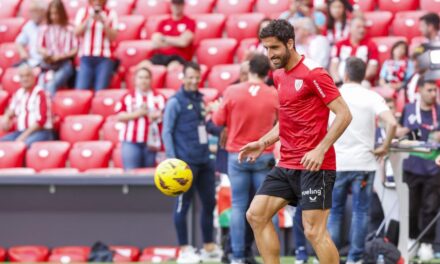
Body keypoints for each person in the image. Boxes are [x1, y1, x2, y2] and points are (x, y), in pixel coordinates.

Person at [239, 19, 352, 264]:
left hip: (315, 166)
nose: (270, 54)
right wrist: (263, 142)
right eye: (266, 49)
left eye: (275, 48)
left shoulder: (314, 73)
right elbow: (288, 119)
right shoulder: (278, 75)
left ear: (290, 43)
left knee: (313, 231)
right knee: (256, 215)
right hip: (287, 163)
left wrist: (320, 150)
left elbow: (344, 114)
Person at [327, 57, 397, 264]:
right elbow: (391, 123)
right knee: (360, 212)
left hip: (337, 162)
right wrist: (384, 147)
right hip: (364, 164)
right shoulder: (371, 96)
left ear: (345, 74)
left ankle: (330, 257)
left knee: (335, 212)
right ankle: (355, 258)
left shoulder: (333, 95)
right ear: (363, 75)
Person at [211, 54, 278, 264]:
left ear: (249, 70)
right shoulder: (274, 94)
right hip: (263, 154)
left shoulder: (232, 91)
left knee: (239, 206)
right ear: (268, 73)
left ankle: (238, 257)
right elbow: (282, 123)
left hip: (237, 155)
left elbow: (217, 120)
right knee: (267, 207)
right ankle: (270, 255)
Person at [162, 62, 222, 264]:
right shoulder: (175, 102)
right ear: (183, 77)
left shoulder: (201, 100)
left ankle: (208, 247)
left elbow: (206, 127)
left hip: (205, 160)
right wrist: (171, 160)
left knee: (209, 203)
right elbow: (167, 131)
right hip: (183, 164)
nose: (194, 80)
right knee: (183, 205)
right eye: (190, 77)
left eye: (197, 77)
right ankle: (185, 249)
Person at [398, 76, 440, 262]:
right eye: (429, 90)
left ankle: (427, 244)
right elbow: (401, 133)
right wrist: (401, 134)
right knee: (411, 208)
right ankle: (411, 240)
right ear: (420, 90)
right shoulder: (408, 109)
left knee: (429, 208)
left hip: (434, 168)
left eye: (435, 91)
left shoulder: (439, 111)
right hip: (412, 166)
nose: (433, 94)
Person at [115, 67, 165, 170]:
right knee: (131, 174)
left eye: (146, 77)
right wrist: (137, 114)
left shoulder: (159, 97)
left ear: (151, 79)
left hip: (152, 142)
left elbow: (167, 116)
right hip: (131, 141)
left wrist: (158, 116)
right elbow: (119, 116)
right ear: (135, 80)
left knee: (150, 175)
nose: (143, 80)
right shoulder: (127, 97)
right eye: (140, 77)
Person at [0, 65, 53, 147]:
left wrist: (23, 137)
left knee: (22, 146)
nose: (25, 79)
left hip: (41, 132)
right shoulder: (19, 93)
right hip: (21, 131)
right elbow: (12, 110)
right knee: (2, 144)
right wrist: (6, 117)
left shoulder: (40, 93)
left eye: (28, 75)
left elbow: (41, 121)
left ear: (33, 77)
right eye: (22, 76)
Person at [74, 0, 118, 91]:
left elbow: (113, 37)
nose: (97, 1)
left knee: (100, 91)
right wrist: (89, 19)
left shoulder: (111, 13)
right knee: (81, 90)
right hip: (86, 56)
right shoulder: (83, 12)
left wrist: (103, 22)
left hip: (104, 57)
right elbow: (76, 32)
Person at [37, 0, 78, 97]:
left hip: (64, 63)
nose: (54, 16)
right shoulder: (45, 29)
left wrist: (60, 56)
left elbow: (75, 49)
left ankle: (50, 108)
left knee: (52, 84)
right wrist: (46, 53)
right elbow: (39, 47)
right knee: (41, 87)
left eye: (56, 13)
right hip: (48, 63)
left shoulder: (70, 28)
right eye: (51, 13)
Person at [330, 16, 379, 85]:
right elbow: (333, 66)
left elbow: (372, 70)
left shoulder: (371, 45)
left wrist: (355, 81)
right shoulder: (340, 44)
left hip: (361, 82)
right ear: (350, 28)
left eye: (364, 27)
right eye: (358, 27)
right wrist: (338, 81)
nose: (362, 30)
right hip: (340, 82)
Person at [149, 0, 195, 69]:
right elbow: (155, 43)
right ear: (171, 5)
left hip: (178, 57)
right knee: (144, 67)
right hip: (160, 55)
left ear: (183, 5)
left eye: (179, 4)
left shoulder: (190, 22)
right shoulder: (163, 22)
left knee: (172, 69)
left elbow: (183, 42)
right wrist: (176, 41)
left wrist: (164, 38)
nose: (177, 7)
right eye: (175, 4)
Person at [15, 0, 46, 67]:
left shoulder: (50, 25)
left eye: (34, 11)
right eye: (30, 11)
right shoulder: (29, 25)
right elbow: (19, 42)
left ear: (43, 11)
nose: (31, 14)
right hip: (31, 61)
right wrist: (23, 52)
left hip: (46, 61)